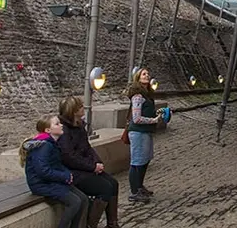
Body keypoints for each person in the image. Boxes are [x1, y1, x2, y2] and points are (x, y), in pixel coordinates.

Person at [57, 96, 120, 228]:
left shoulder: (79, 126)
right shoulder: (64, 131)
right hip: (73, 172)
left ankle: (112, 223)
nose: (83, 108)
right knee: (105, 188)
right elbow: (69, 157)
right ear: (73, 111)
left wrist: (97, 163)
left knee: (113, 183)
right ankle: (90, 225)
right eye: (80, 106)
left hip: (85, 167)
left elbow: (87, 148)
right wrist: (92, 167)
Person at [19, 115, 88, 228]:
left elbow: (56, 164)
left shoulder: (52, 143)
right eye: (57, 124)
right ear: (48, 130)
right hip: (41, 184)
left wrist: (66, 174)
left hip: (52, 181)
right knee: (75, 202)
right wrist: (64, 176)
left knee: (83, 199)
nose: (61, 125)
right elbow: (42, 171)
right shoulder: (43, 146)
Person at [125, 67, 162, 204]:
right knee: (137, 161)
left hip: (146, 132)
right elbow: (136, 118)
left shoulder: (147, 95)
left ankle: (140, 186)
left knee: (145, 160)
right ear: (138, 78)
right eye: (144, 74)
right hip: (138, 132)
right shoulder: (137, 96)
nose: (147, 75)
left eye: (148, 73)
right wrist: (153, 120)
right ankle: (134, 192)